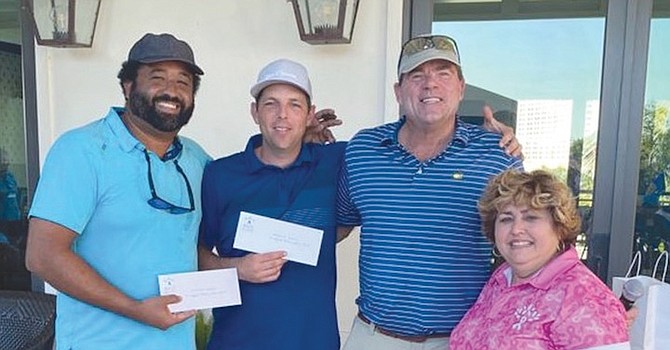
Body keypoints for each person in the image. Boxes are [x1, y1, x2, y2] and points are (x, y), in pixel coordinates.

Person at [336, 34, 524, 349]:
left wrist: (588, 303)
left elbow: (530, 241)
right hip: (374, 337)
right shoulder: (363, 150)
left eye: (443, 73)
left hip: (461, 339)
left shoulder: (496, 155)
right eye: (417, 75)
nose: (430, 84)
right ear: (398, 91)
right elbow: (338, 225)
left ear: (461, 87)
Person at [25, 33, 211, 350]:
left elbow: (247, 188)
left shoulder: (196, 159)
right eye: (157, 78)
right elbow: (43, 256)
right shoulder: (82, 150)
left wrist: (300, 146)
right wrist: (135, 309)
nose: (172, 91)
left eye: (183, 82)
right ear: (128, 86)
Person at [198, 58, 347, 350]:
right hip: (237, 342)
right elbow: (196, 252)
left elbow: (358, 210)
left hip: (315, 342)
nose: (282, 115)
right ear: (255, 112)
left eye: (294, 105)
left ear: (309, 115)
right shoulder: (221, 174)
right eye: (271, 104)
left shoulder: (335, 162)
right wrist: (236, 268)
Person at [450, 169, 630, 349]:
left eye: (531, 218)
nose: (516, 229)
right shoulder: (501, 279)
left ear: (559, 226)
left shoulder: (585, 297)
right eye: (506, 219)